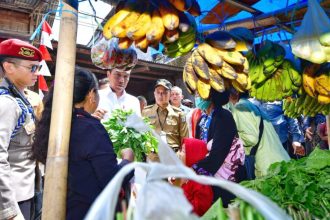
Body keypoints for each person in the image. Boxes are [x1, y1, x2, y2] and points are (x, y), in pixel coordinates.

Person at [31, 67, 134, 220]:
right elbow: (111, 178)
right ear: (91, 95)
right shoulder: (91, 128)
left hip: (69, 209)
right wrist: (127, 160)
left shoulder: (59, 124)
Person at [0, 38, 43, 220]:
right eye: (32, 68)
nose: (37, 73)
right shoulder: (7, 103)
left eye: (38, 68)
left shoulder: (21, 99)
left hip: (27, 192)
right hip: (14, 200)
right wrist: (9, 211)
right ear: (9, 67)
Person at [190, 89, 245, 207]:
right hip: (210, 176)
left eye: (200, 93)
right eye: (195, 94)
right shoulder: (202, 118)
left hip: (226, 177)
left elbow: (218, 154)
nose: (197, 96)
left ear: (211, 95)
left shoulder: (223, 116)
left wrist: (194, 169)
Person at [230, 92, 290, 178]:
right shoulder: (250, 105)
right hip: (278, 160)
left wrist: (232, 139)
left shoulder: (240, 107)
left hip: (269, 166)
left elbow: (251, 139)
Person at [142, 79, 188, 152]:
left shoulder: (179, 114)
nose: (161, 95)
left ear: (170, 94)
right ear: (154, 94)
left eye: (164, 92)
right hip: (153, 156)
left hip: (173, 155)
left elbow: (184, 140)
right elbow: (142, 135)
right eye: (158, 92)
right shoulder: (146, 112)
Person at [176, 138, 213, 216]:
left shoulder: (202, 184)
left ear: (193, 156)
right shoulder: (187, 176)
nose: (179, 153)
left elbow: (199, 211)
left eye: (183, 151)